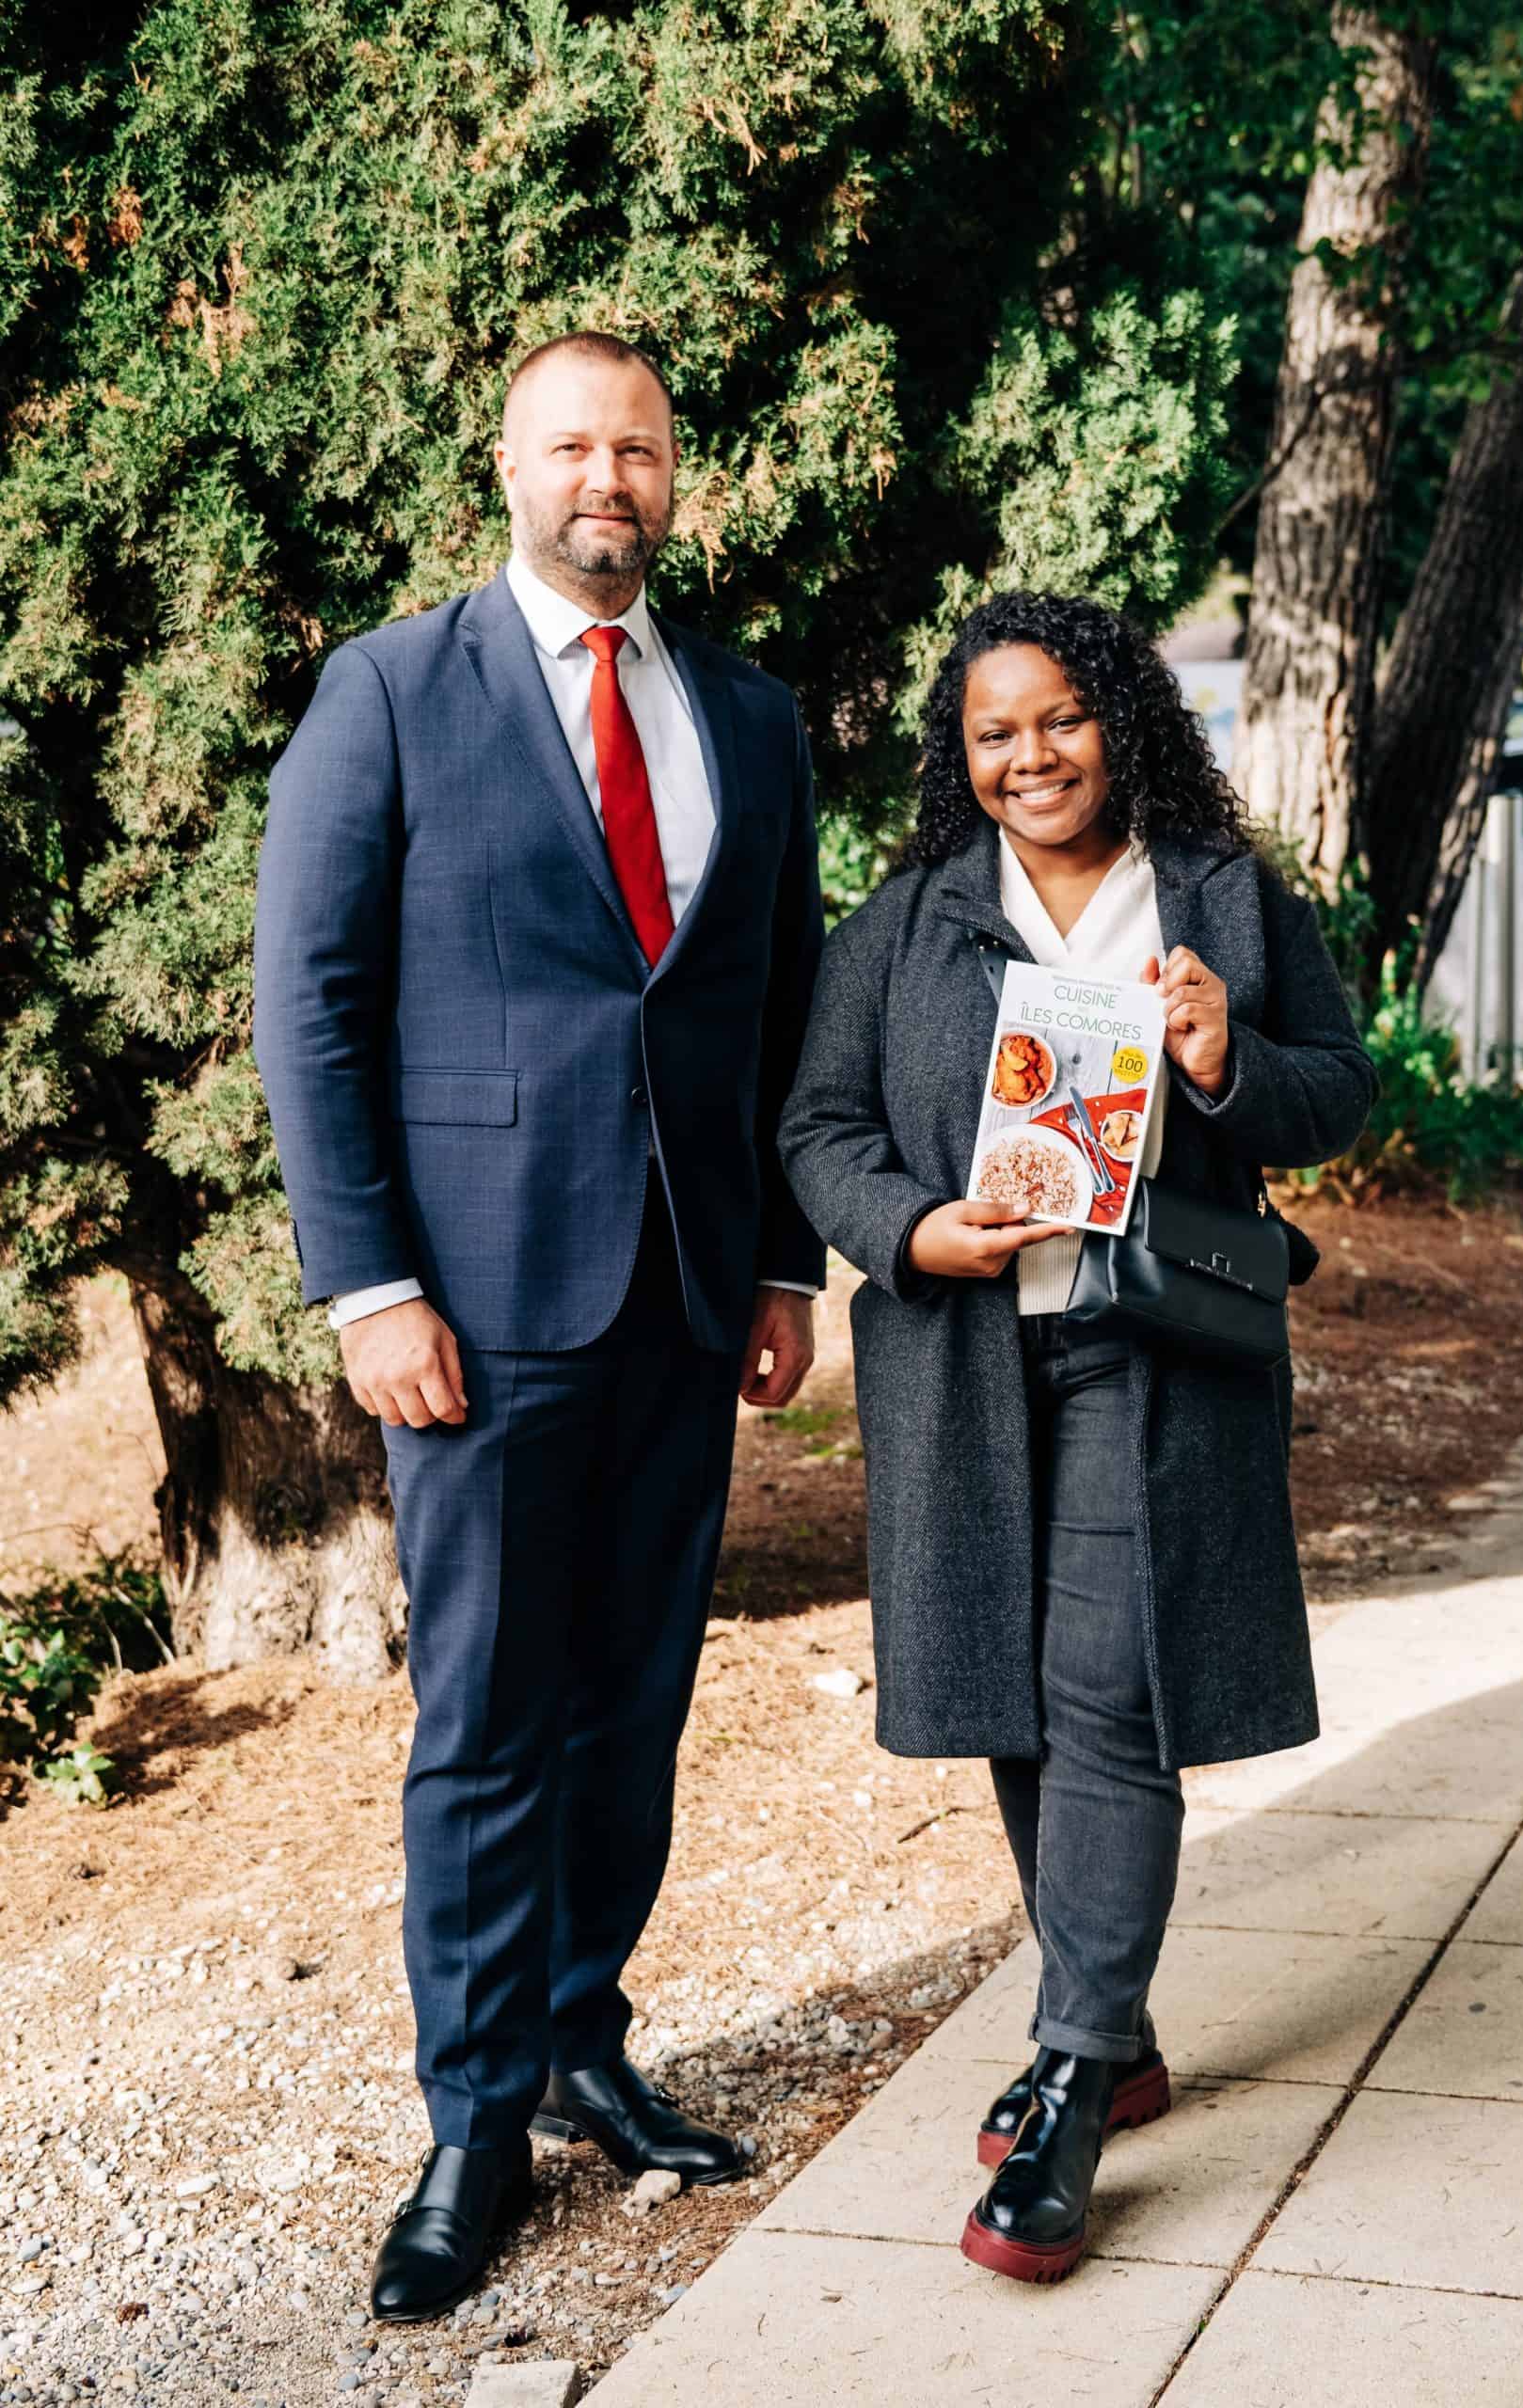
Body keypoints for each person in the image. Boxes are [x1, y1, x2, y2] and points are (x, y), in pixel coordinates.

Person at [253, 332, 825, 2322]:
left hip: (679, 1298)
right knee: (487, 1720)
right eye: (573, 445)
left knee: (631, 1696)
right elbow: (309, 1004)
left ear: (677, 478)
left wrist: (775, 1260)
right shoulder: (391, 691)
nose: (609, 478)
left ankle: (583, 2036)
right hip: (474, 1310)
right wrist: (369, 1282)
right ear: (506, 465)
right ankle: (475, 2117)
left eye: (641, 447)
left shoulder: (747, 718)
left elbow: (770, 1009)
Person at [779, 591, 1375, 2287]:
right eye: (993, 731)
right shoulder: (904, 925)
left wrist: (1223, 1057)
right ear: (958, 759)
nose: (1030, 755)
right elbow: (817, 1128)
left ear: (1121, 719)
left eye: (1060, 718)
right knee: (1019, 1705)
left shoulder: (1221, 902)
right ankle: (1114, 2033)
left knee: (1113, 1692)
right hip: (966, 1359)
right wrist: (909, 1231)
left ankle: (1066, 2078)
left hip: (1156, 1351)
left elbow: (1338, 1087)